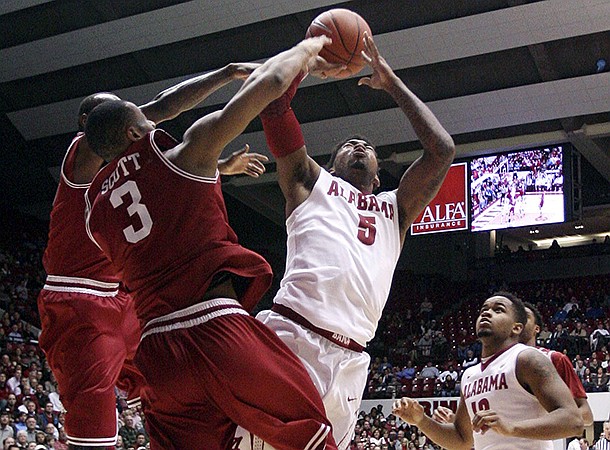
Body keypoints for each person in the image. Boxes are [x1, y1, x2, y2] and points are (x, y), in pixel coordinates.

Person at [84, 36, 338, 450]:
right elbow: (270, 82)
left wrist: (219, 169)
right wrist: (308, 49)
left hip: (158, 354)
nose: (157, 125)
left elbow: (150, 203)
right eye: (148, 122)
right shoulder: (186, 151)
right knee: (310, 432)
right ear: (135, 130)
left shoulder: (95, 217)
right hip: (212, 326)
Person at [37, 62, 268, 449]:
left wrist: (221, 169)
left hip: (127, 301)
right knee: (92, 424)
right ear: (88, 123)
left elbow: (167, 180)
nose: (137, 117)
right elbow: (163, 106)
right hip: (79, 300)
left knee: (173, 387)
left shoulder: (129, 171)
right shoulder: (85, 150)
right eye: (123, 113)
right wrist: (227, 73)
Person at [246, 32, 455, 449]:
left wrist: (392, 83)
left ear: (378, 177)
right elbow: (275, 107)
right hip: (296, 335)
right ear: (331, 164)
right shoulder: (310, 183)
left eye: (367, 146)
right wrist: (305, 62)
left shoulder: (396, 210)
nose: (359, 146)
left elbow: (442, 150)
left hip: (353, 358)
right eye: (349, 145)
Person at [392, 292, 584, 449]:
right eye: (484, 309)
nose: (486, 313)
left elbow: (573, 421)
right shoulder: (469, 374)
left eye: (498, 310)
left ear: (516, 328)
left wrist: (511, 427)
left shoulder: (527, 358)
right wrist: (421, 420)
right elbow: (462, 440)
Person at [520, 302, 593, 425]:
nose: (519, 319)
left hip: (536, 441)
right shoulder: (493, 364)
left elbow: (586, 415)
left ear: (536, 328)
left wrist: (531, 423)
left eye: (525, 316)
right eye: (515, 316)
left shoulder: (554, 359)